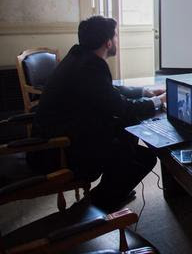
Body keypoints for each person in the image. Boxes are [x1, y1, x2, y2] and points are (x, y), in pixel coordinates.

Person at [32, 16, 165, 212]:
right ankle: (96, 208)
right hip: (61, 150)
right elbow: (124, 109)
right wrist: (158, 102)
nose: (117, 40)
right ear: (108, 42)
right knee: (142, 156)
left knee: (125, 138)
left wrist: (144, 93)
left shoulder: (78, 57)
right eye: (116, 36)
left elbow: (108, 91)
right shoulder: (91, 66)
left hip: (57, 138)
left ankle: (110, 194)